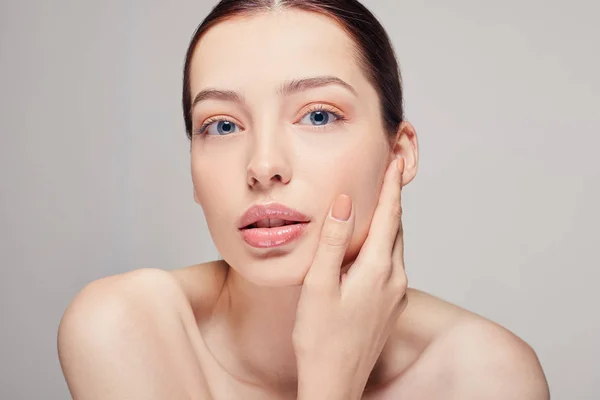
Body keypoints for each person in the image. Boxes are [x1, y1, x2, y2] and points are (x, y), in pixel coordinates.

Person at [57, 0, 550, 398]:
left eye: (317, 115)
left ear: (398, 154)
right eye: (222, 125)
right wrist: (331, 379)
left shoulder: (486, 376)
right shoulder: (126, 329)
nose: (263, 165)